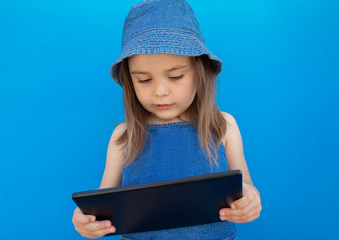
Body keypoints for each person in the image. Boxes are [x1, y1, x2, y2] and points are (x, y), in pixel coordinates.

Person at [72, 0, 262, 239]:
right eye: (144, 80)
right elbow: (102, 206)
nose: (160, 92)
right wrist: (87, 220)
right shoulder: (124, 135)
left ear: (199, 71)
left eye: (175, 76)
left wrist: (250, 201)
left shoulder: (223, 125)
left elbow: (246, 189)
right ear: (130, 81)